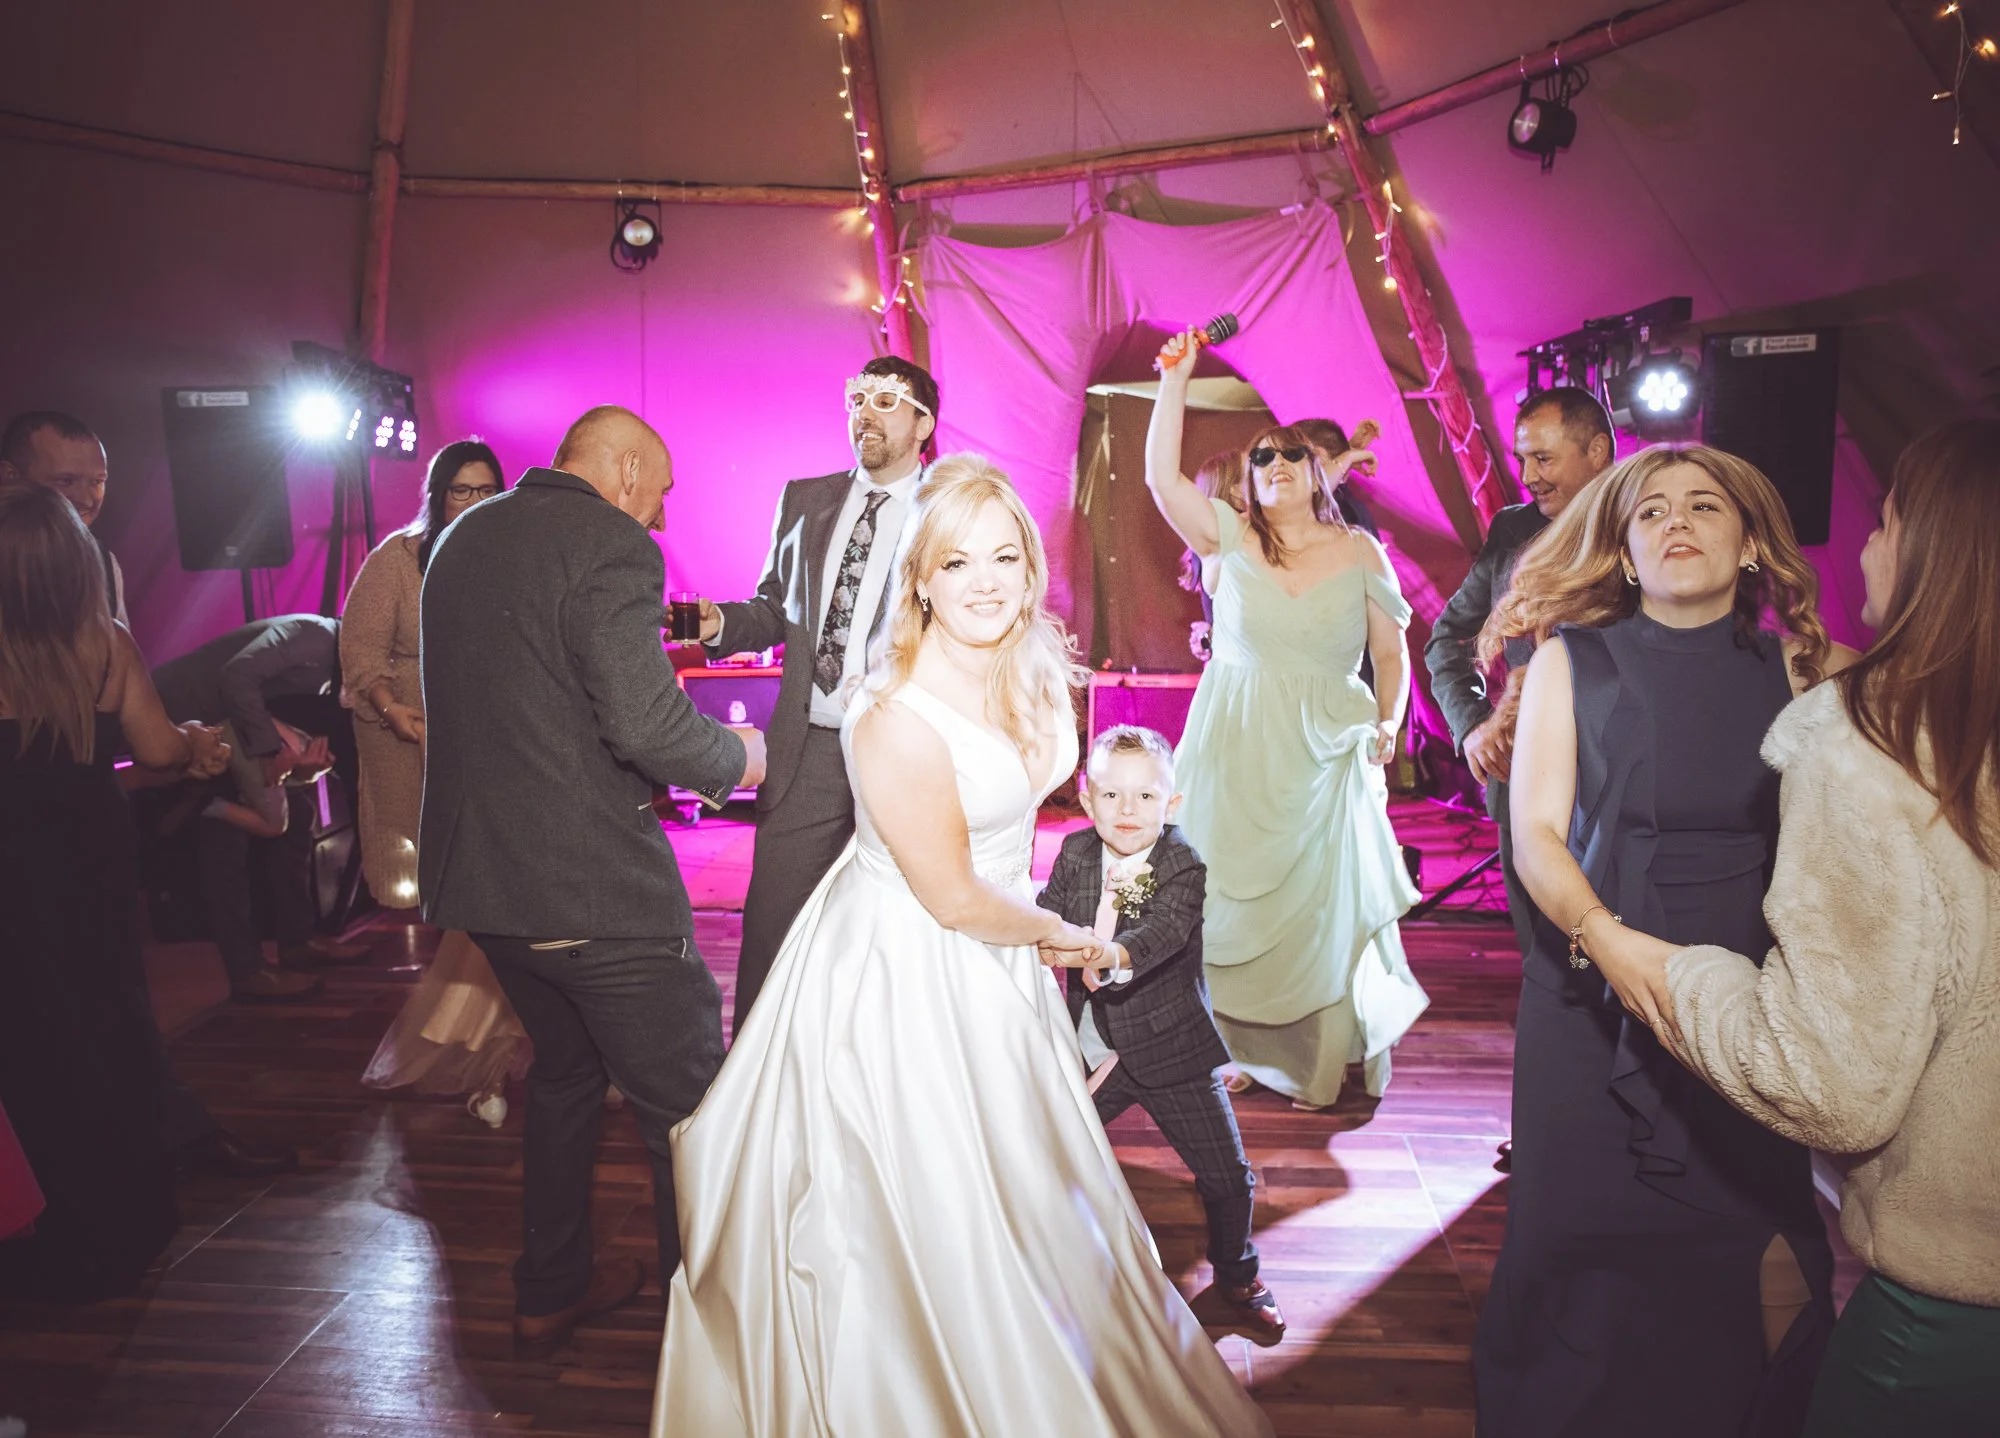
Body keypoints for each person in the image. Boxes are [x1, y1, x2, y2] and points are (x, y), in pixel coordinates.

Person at [651, 457, 1271, 1437]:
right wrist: (1065, 935)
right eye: (956, 561)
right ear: (920, 581)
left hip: (1000, 953)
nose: (986, 581)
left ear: (1030, 568)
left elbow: (1024, 831)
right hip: (911, 969)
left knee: (1028, 1193)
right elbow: (948, 895)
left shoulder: (1031, 664)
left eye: (1005, 557)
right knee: (923, 1205)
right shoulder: (892, 714)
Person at [1587, 419, 2000, 1436]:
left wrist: (1663, 970)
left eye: (1886, 522)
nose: (1868, 545)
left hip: (1953, 1302)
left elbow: (1832, 1085)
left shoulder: (1862, 744)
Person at [1471, 443, 1858, 1437]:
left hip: (1741, 1004)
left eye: (1703, 505)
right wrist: (1606, 942)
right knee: (1581, 1252)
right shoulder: (1571, 661)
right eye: (1650, 511)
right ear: (1624, 550)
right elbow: (1536, 837)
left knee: (1756, 1247)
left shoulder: (1807, 670)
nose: (1675, 521)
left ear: (1749, 543)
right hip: (1588, 991)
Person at [420, 405, 763, 1357]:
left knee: (567, 1077)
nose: (660, 518)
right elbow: (648, 727)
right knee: (691, 1118)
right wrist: (741, 758)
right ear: (625, 470)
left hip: (483, 890)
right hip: (593, 894)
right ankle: (709, 1343)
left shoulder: (462, 536)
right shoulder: (611, 544)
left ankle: (550, 1290)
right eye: (660, 495)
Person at [1145, 327, 1427, 1111]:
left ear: (1315, 472)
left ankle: (1315, 1057)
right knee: (1229, 900)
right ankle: (1230, 1046)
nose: (1273, 463)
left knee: (1321, 908)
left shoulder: (1361, 551)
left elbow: (1391, 654)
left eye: (1289, 454)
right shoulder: (1229, 538)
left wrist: (1388, 723)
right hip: (1236, 744)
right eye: (1261, 456)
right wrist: (1175, 380)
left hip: (1330, 749)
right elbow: (1163, 480)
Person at [0, 485, 228, 1296]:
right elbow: (159, 751)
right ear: (75, 564)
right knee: (110, 1016)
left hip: (11, 864)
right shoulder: (105, 643)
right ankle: (129, 1218)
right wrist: (196, 741)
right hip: (88, 857)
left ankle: (41, 1226)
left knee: (26, 1031)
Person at [698, 356, 937, 1030]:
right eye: (857, 399)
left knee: (898, 930)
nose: (866, 413)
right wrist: (719, 625)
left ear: (924, 424)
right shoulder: (804, 499)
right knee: (774, 924)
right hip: (808, 748)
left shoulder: (948, 508)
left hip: (903, 752)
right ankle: (754, 1072)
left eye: (886, 401)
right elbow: (775, 609)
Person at [1037, 724, 1283, 1345]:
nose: (1128, 809)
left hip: (1171, 1046)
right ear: (1087, 800)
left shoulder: (1181, 862)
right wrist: (1036, 936)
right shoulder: (1076, 853)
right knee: (1044, 1148)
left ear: (1170, 804)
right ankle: (1045, 1264)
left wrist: (1105, 954)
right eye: (1111, 795)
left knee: (1227, 1176)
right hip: (1094, 1046)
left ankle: (1238, 1276)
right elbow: (1049, 911)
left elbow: (1162, 934)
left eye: (1145, 796)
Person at [1423, 386, 1614, 1170]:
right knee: (1544, 961)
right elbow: (1448, 639)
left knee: (1608, 956)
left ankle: (1619, 1132)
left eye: (1543, 457)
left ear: (1596, 451)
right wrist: (1473, 725)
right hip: (1523, 781)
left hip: (1616, 788)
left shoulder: (1646, 524)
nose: (1529, 475)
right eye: (1522, 457)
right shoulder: (1511, 530)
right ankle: (1546, 1131)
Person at [346, 440, 526, 1127]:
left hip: (496, 744)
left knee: (502, 891)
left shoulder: (508, 558)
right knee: (476, 896)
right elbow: (361, 654)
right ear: (437, 495)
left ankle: (512, 1051)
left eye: (487, 491)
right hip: (420, 741)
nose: (474, 502)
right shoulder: (397, 560)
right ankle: (486, 1056)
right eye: (461, 490)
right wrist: (393, 709)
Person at [153, 614, 361, 1000]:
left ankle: (297, 942)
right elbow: (237, 676)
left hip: (226, 722)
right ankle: (247, 970)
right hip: (188, 716)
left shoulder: (330, 660)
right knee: (224, 838)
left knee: (298, 814)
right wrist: (268, 752)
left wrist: (294, 765)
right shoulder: (315, 637)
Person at [0, 410, 126, 625]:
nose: (87, 500)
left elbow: (115, 645)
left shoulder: (105, 566)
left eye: (97, 481)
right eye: (66, 481)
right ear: (10, 476)